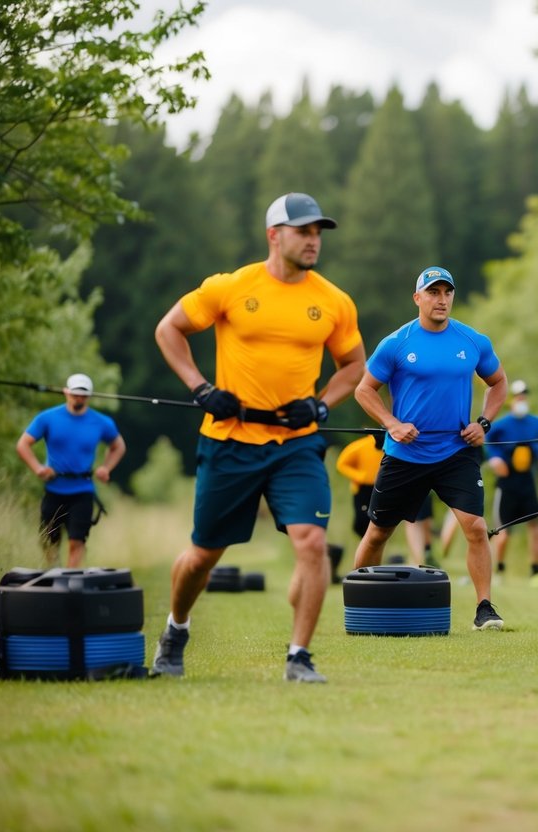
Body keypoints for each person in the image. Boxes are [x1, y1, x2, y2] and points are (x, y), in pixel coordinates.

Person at [151, 192, 366, 683]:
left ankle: (299, 657)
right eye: (303, 231)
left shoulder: (332, 301)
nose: (314, 241)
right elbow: (170, 330)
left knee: (312, 544)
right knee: (203, 555)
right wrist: (201, 388)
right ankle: (176, 630)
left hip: (297, 443)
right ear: (274, 234)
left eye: (318, 233)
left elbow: (354, 365)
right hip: (230, 438)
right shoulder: (231, 287)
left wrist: (321, 404)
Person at [351, 266, 509, 631]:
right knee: (377, 532)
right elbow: (363, 389)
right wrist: (392, 424)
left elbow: (498, 383)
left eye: (446, 293)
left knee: (475, 526)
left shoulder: (473, 341)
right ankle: (357, 601)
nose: (441, 300)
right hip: (405, 455)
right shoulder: (396, 343)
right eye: (433, 293)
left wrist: (483, 423)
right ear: (417, 298)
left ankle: (485, 608)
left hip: (457, 452)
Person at [15, 373, 126, 567]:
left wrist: (106, 468)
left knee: (77, 541)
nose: (78, 398)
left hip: (82, 492)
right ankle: (53, 574)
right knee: (50, 541)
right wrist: (38, 469)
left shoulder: (101, 422)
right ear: (66, 392)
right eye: (75, 393)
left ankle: (69, 582)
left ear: (89, 396)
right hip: (54, 490)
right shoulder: (48, 418)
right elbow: (23, 444)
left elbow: (119, 446)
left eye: (83, 395)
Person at [486, 379, 538, 586]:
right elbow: (487, 443)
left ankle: (536, 571)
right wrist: (494, 459)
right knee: (503, 531)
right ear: (511, 400)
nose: (521, 400)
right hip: (507, 482)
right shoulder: (501, 425)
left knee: (535, 525)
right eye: (517, 397)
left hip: (527, 481)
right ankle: (498, 570)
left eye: (524, 396)